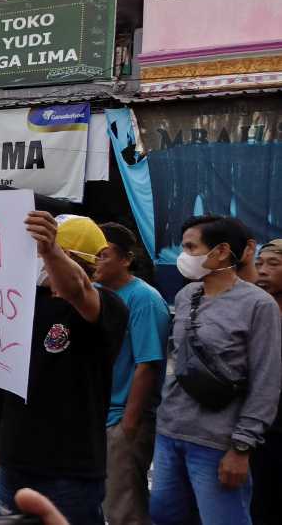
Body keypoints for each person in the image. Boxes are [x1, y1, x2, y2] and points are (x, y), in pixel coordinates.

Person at [0, 214, 129, 525]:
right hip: (15, 460)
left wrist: (50, 250)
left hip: (69, 470)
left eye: (45, 253)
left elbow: (78, 290)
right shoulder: (24, 300)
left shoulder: (108, 305)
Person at [151, 216, 282, 525]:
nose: (183, 255)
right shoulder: (186, 297)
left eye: (190, 247)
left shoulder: (258, 305)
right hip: (170, 434)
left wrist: (241, 447)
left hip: (217, 444)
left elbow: (267, 380)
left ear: (221, 251)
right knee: (164, 516)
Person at [92, 223, 169, 525]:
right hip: (93, 416)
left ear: (126, 259)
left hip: (121, 420)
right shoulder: (93, 293)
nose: (95, 260)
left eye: (104, 254)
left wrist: (129, 425)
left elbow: (147, 364)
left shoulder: (144, 299)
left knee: (124, 508)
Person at [252, 239, 282, 525]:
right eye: (259, 264)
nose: (262, 271)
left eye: (273, 264)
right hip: (256, 431)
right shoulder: (254, 312)